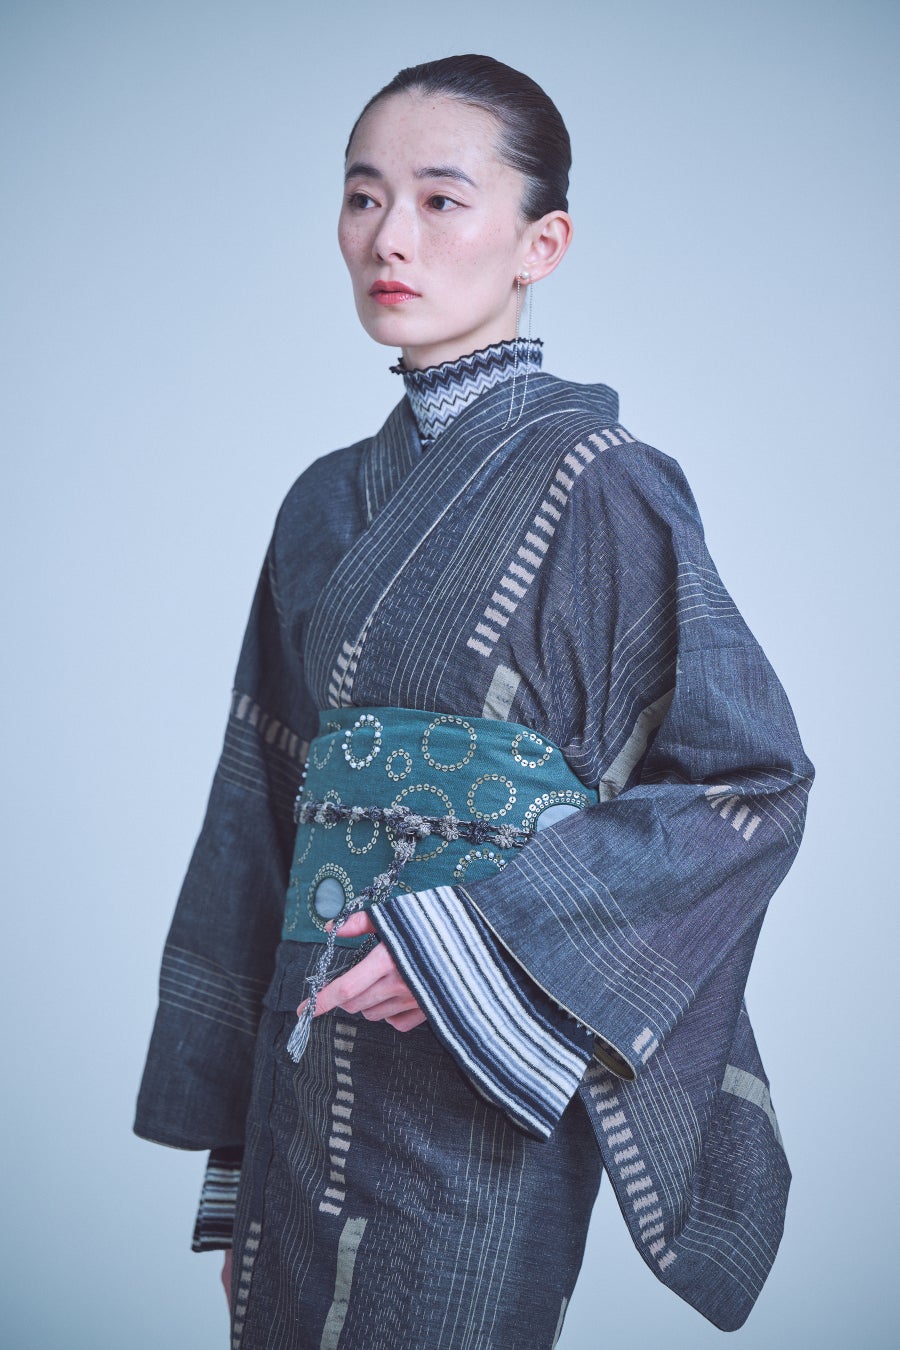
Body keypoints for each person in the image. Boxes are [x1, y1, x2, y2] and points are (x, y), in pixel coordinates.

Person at [135, 54, 814, 1349]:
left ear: (539, 243)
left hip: (478, 1073)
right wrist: (234, 1169)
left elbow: (749, 782)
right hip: (301, 1066)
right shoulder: (319, 504)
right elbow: (259, 812)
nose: (389, 236)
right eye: (363, 196)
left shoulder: (605, 481)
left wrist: (474, 947)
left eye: (442, 199)